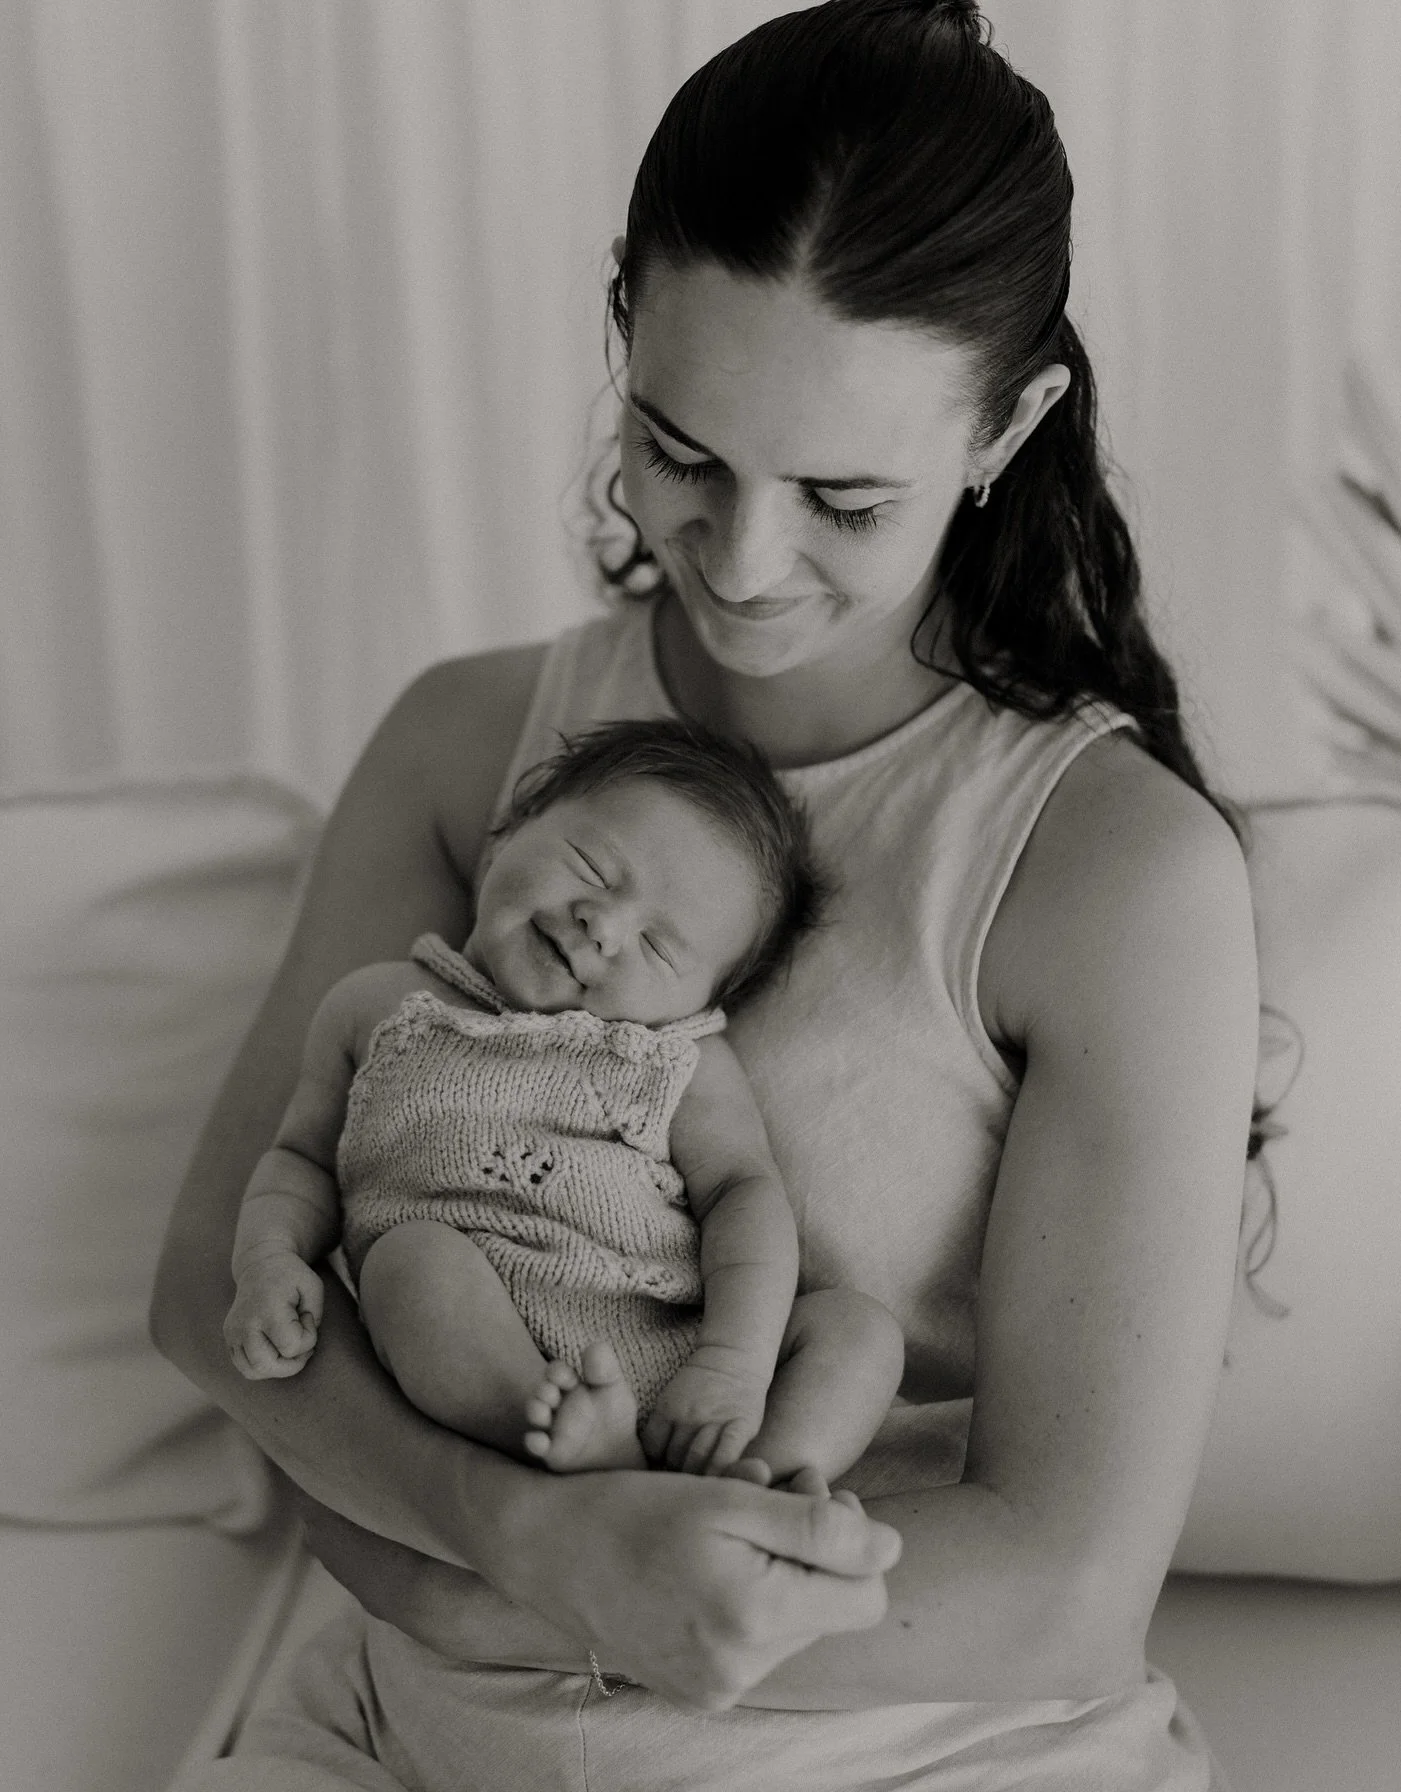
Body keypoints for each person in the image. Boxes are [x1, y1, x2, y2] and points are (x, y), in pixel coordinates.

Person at [154, 2, 1258, 1786]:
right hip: (403, 1737)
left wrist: (533, 1589)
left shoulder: (1112, 875)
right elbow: (214, 1286)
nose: (743, 560)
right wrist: (515, 1538)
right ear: (621, 324)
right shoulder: (466, 744)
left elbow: (1060, 1588)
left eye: (843, 494)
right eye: (682, 452)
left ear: (1007, 426)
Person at [222, 719, 904, 1486]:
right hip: (486, 1342)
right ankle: (571, 1450)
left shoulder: (679, 1059)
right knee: (407, 1265)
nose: (603, 924)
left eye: (659, 947)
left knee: (859, 1331)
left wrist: (732, 1369)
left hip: (680, 1360)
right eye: (590, 866)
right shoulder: (375, 1006)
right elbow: (299, 1159)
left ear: (702, 1002)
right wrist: (268, 1261)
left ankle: (757, 1487)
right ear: (507, 833)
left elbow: (741, 1194)